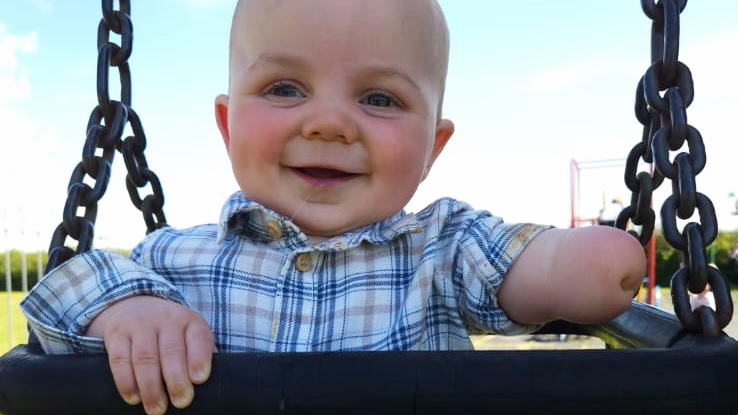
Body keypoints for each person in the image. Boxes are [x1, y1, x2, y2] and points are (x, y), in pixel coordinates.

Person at [20, 1, 647, 414]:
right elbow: (68, 290)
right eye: (284, 89)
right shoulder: (174, 260)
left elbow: (518, 265)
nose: (328, 123)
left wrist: (583, 263)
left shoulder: (443, 249)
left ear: (433, 147)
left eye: (378, 98)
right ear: (227, 122)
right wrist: (126, 312)